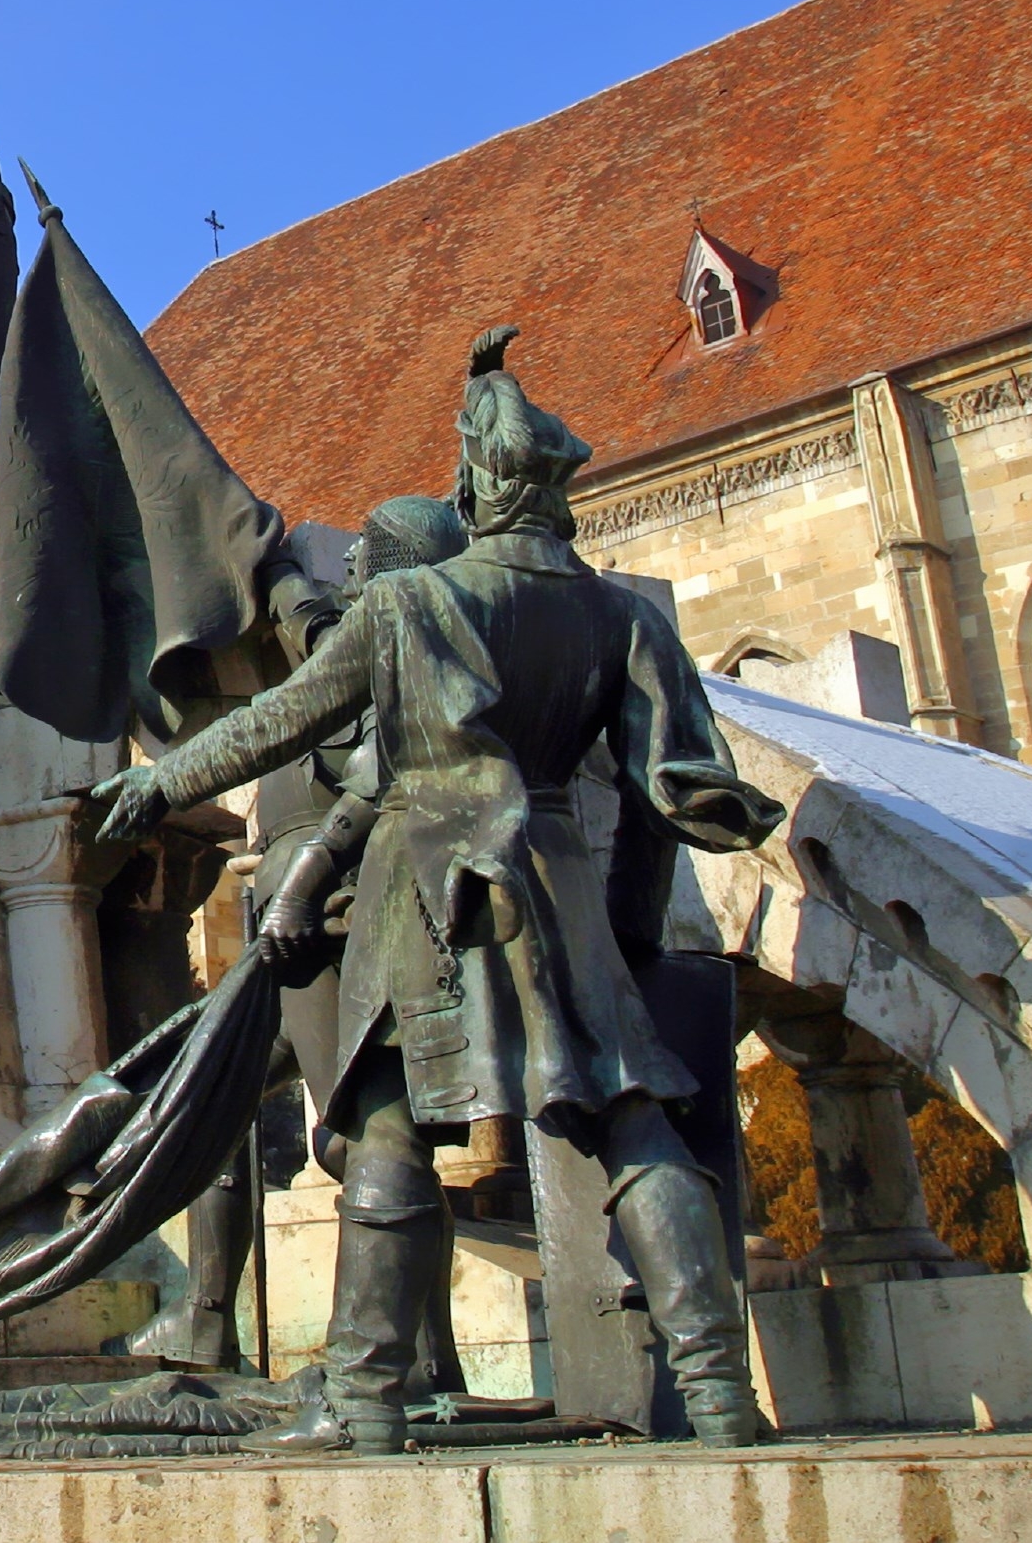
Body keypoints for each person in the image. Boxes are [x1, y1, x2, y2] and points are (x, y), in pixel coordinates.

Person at [90, 328, 787, 1453]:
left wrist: (161, 780)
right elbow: (667, 798)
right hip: (556, 877)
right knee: (631, 1119)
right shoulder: (622, 619)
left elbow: (281, 719)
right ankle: (718, 1393)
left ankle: (368, 1403)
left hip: (423, 880)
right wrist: (622, 928)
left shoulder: (407, 607)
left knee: (387, 1129)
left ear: (473, 485)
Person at [122, 496, 469, 1374]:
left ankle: (414, 1362)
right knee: (212, 1102)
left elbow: (367, 782)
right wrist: (263, 554)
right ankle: (208, 1324)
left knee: (362, 1138)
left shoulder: (397, 657)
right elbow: (307, 621)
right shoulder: (359, 643)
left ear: (391, 573)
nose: (347, 563)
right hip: (290, 912)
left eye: (364, 555)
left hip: (324, 918)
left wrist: (307, 884)